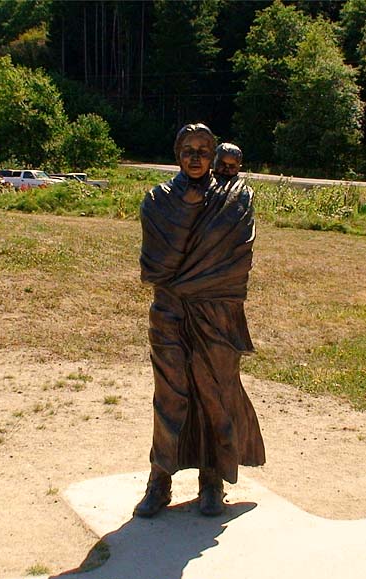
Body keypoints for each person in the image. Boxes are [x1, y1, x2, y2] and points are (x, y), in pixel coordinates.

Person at [135, 123, 265, 518]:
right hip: (169, 312)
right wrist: (190, 274)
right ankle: (160, 481)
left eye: (204, 150)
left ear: (215, 156)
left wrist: (190, 279)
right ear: (177, 153)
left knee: (216, 394)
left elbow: (237, 263)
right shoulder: (157, 201)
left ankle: (213, 479)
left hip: (216, 313)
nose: (195, 157)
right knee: (170, 398)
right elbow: (154, 268)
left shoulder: (235, 198)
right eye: (188, 149)